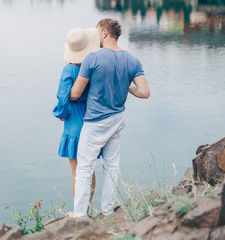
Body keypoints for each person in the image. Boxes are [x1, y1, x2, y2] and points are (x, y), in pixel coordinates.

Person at [67, 18, 150, 218]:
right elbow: (145, 92)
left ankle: (79, 215)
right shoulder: (132, 60)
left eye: (97, 33)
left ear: (104, 33)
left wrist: (63, 97)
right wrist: (125, 86)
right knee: (112, 166)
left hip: (95, 121)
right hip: (118, 118)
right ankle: (107, 212)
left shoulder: (92, 58)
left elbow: (76, 93)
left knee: (84, 168)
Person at [52, 27, 100, 208]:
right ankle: (88, 208)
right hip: (91, 120)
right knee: (90, 171)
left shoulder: (69, 70)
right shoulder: (93, 68)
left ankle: (80, 211)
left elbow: (62, 96)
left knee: (75, 172)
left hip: (73, 123)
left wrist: (60, 114)